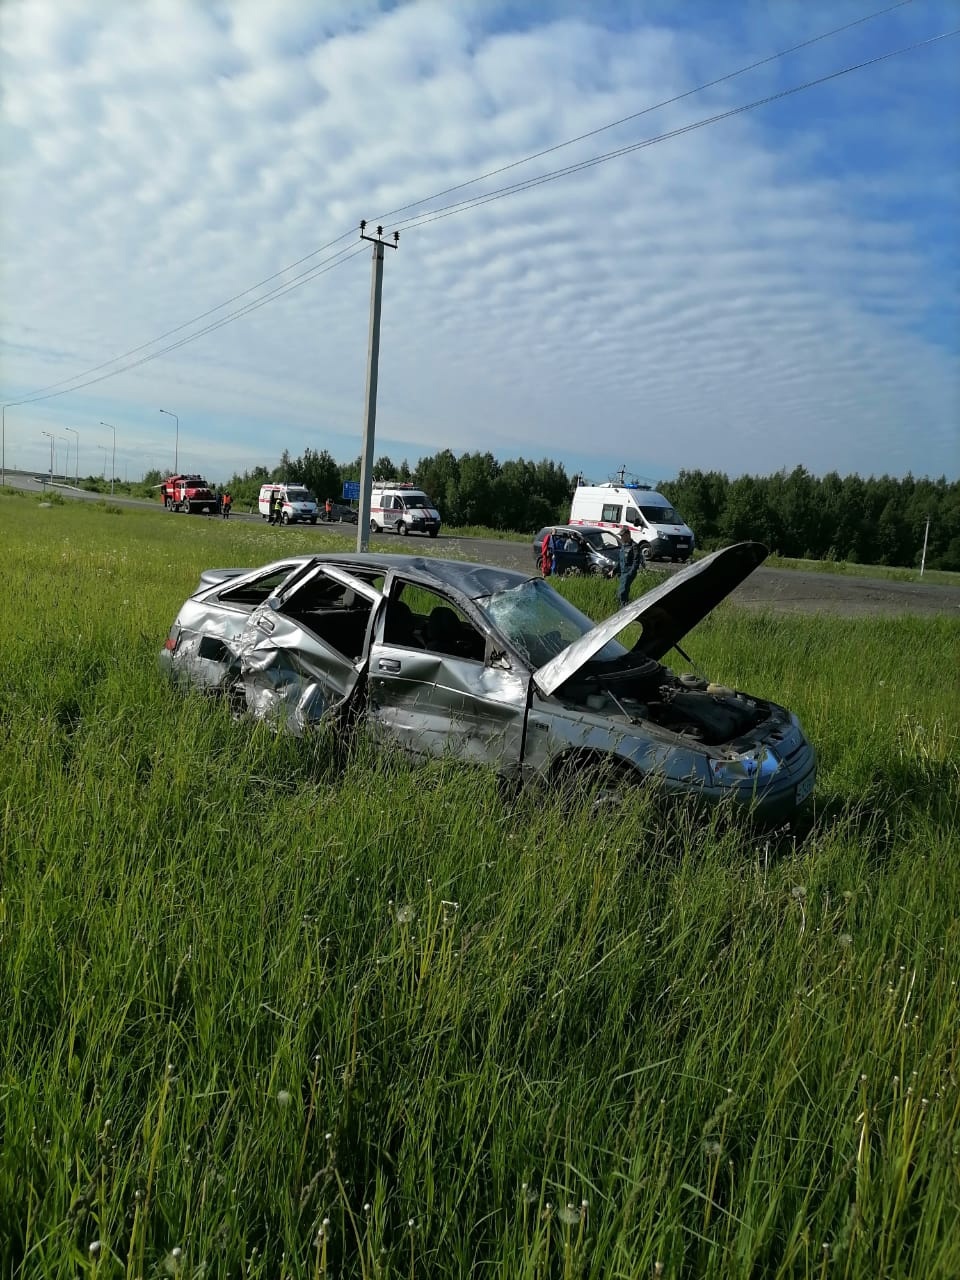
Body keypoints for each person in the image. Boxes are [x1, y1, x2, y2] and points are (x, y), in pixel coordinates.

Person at [617, 529, 641, 607]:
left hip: (628, 572)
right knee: (621, 593)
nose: (621, 538)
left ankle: (623, 609)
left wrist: (630, 573)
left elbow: (636, 561)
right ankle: (624, 607)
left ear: (627, 535)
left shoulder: (634, 546)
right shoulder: (623, 546)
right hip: (623, 573)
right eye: (620, 536)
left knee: (622, 593)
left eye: (622, 536)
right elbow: (620, 560)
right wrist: (613, 570)